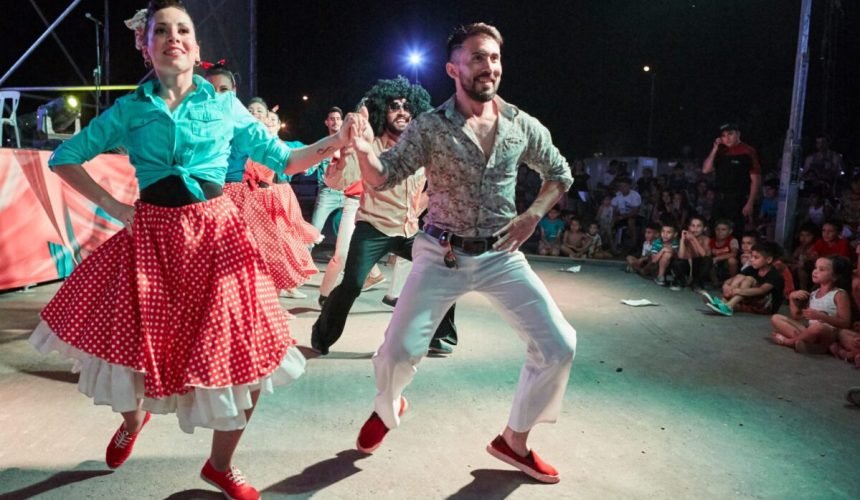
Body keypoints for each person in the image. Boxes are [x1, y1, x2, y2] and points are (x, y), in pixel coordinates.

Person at [28, 3, 350, 498]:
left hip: (218, 241)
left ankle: (220, 465)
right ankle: (132, 423)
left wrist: (335, 140)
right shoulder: (130, 109)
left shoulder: (223, 106)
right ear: (147, 46)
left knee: (253, 353)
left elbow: (284, 159)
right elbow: (65, 156)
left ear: (195, 49)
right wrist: (115, 206)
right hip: (151, 241)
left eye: (183, 30)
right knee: (130, 355)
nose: (173, 37)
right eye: (162, 31)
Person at [346, 23, 576, 484]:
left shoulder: (520, 124)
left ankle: (514, 440)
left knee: (559, 344)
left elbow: (560, 173)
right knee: (396, 354)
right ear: (454, 68)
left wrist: (532, 214)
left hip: (501, 253)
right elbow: (383, 175)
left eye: (493, 57)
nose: (488, 66)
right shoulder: (430, 126)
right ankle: (388, 407)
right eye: (476, 57)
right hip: (441, 250)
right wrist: (365, 148)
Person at [311, 76, 458, 356]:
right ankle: (322, 335)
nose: (402, 111)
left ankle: (441, 337)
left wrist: (419, 207)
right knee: (353, 284)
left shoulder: (420, 148)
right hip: (373, 228)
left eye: (406, 106)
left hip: (408, 230)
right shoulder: (370, 146)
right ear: (382, 111)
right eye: (394, 106)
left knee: (445, 270)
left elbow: (437, 184)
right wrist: (344, 156)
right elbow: (338, 183)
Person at [770, 256, 851, 352]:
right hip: (810, 330)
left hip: (827, 333)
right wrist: (792, 298)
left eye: (822, 269)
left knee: (818, 327)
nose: (815, 271)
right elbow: (798, 316)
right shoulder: (814, 293)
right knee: (776, 318)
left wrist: (821, 317)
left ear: (835, 276)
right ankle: (807, 344)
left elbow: (845, 323)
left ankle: (788, 342)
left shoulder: (839, 294)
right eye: (815, 268)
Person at [702, 122, 762, 235]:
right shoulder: (720, 151)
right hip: (719, 199)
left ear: (738, 134)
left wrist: (750, 202)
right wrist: (715, 149)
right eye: (723, 135)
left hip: (737, 199)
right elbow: (706, 170)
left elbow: (756, 179)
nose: (727, 138)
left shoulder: (748, 151)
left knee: (735, 231)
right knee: (715, 230)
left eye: (730, 134)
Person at [703, 241, 784, 317]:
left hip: (766, 306)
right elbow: (732, 279)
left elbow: (761, 290)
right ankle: (724, 302)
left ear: (768, 260)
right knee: (740, 277)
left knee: (749, 279)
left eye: (756, 257)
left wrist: (738, 291)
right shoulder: (752, 268)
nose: (751, 259)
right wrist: (726, 286)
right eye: (751, 256)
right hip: (751, 301)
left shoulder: (774, 275)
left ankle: (728, 305)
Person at [306, 107, 347, 236]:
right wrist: (304, 168)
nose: (335, 121)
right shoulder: (322, 145)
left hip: (348, 193)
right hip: (327, 193)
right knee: (314, 232)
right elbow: (309, 169)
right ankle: (305, 256)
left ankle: (344, 255)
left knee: (347, 232)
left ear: (342, 122)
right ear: (327, 122)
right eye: (332, 119)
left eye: (338, 119)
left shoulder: (350, 143)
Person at [672, 215, 711, 291]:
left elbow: (703, 255)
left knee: (708, 260)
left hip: (698, 267)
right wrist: (682, 240)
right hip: (687, 265)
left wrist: (693, 240)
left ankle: (697, 283)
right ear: (689, 227)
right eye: (693, 226)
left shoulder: (706, 239)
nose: (695, 229)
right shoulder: (686, 238)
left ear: (704, 228)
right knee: (677, 262)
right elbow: (681, 256)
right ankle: (681, 281)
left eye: (698, 226)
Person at [609, 177, 641, 255]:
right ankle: (613, 247)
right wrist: (614, 217)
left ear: (629, 186)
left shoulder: (635, 195)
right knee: (610, 222)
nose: (622, 188)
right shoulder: (617, 195)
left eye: (625, 186)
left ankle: (634, 245)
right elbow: (613, 209)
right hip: (621, 215)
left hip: (634, 216)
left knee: (631, 221)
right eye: (621, 186)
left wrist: (623, 216)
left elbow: (635, 211)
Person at [709, 219, 739, 284]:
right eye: (717, 229)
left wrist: (717, 258)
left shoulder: (732, 240)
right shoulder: (711, 241)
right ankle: (715, 282)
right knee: (709, 261)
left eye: (723, 229)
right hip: (715, 265)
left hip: (726, 263)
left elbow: (734, 254)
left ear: (730, 231)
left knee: (732, 260)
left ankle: (733, 280)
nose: (720, 232)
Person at [651, 222, 679, 287]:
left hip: (669, 264)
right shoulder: (657, 242)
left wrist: (671, 250)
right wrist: (663, 250)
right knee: (666, 253)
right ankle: (660, 277)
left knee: (668, 253)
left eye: (668, 232)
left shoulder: (674, 242)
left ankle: (670, 276)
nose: (665, 234)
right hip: (656, 266)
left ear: (675, 234)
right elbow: (654, 260)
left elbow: (677, 256)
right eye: (663, 231)